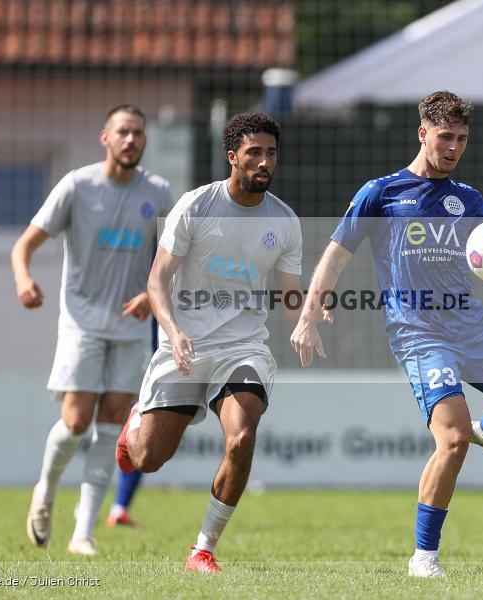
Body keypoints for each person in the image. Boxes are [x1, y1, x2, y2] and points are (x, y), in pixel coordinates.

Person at [290, 91, 483, 578]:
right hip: (420, 334)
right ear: (423, 133)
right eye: (445, 136)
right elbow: (336, 253)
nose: (453, 147)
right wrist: (309, 313)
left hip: (474, 329)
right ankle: (424, 557)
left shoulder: (469, 200)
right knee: (451, 441)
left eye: (461, 138)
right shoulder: (382, 193)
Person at [116, 112, 303, 574]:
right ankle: (136, 420)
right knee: (147, 460)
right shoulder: (196, 206)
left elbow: (289, 295)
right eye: (254, 152)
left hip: (243, 349)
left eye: (271, 153)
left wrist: (309, 314)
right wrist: (172, 331)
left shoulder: (284, 220)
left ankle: (203, 550)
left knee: (241, 437)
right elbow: (158, 279)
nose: (264, 162)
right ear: (232, 155)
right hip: (185, 347)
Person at [11, 105, 174, 556]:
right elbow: (23, 245)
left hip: (130, 328)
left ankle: (82, 533)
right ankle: (45, 488)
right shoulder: (77, 186)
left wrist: (151, 292)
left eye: (138, 133)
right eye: (123, 132)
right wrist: (24, 280)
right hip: (81, 322)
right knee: (77, 420)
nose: (131, 140)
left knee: (110, 423)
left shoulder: (159, 193)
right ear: (106, 137)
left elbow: (175, 260)